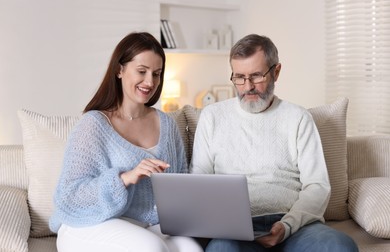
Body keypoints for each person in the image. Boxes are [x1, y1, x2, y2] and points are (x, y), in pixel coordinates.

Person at [191, 34, 358, 252]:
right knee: (222, 249)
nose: (248, 86)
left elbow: (317, 186)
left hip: (294, 225)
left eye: (256, 76)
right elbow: (199, 181)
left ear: (276, 71)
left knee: (340, 246)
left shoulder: (298, 118)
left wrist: (287, 225)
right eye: (239, 77)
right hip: (236, 230)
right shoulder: (212, 117)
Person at [49, 32, 203, 252]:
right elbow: (69, 196)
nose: (150, 82)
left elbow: (181, 185)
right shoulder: (94, 125)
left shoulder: (167, 125)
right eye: (142, 71)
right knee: (151, 247)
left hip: (145, 224)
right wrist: (125, 178)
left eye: (156, 74)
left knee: (191, 248)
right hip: (87, 223)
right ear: (120, 70)